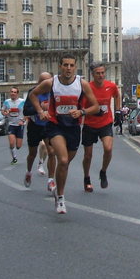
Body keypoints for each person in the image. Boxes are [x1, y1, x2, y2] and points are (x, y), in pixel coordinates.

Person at [28, 53, 99, 214]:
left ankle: (57, 189)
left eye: (71, 65)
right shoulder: (51, 83)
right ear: (60, 66)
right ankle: (61, 198)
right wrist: (40, 111)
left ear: (75, 67)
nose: (68, 68)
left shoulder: (82, 84)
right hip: (56, 126)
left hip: (73, 128)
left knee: (64, 164)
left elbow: (95, 106)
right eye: (65, 65)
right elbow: (33, 94)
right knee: (64, 160)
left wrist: (81, 112)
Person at [81, 62, 121, 191]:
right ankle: (86, 177)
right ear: (92, 74)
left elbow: (117, 95)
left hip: (105, 122)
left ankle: (103, 171)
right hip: (90, 124)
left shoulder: (111, 86)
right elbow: (82, 107)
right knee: (88, 155)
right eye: (98, 73)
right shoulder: (88, 88)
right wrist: (93, 110)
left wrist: (118, 111)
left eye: (103, 73)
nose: (101, 75)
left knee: (108, 148)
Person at [24, 72, 57, 193]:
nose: (47, 85)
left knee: (52, 152)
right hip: (35, 126)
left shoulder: (54, 92)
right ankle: (28, 172)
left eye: (49, 82)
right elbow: (26, 111)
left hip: (48, 126)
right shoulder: (33, 92)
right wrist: (39, 108)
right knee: (32, 154)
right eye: (44, 82)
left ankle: (50, 180)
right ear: (39, 83)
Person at [1, 87, 25, 164]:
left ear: (17, 94)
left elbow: (27, 113)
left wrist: (23, 120)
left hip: (20, 125)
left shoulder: (22, 101)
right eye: (11, 92)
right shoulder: (6, 102)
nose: (13, 93)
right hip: (11, 124)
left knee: (18, 146)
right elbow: (3, 111)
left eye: (15, 92)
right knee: (11, 143)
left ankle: (16, 148)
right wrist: (5, 113)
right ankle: (14, 158)